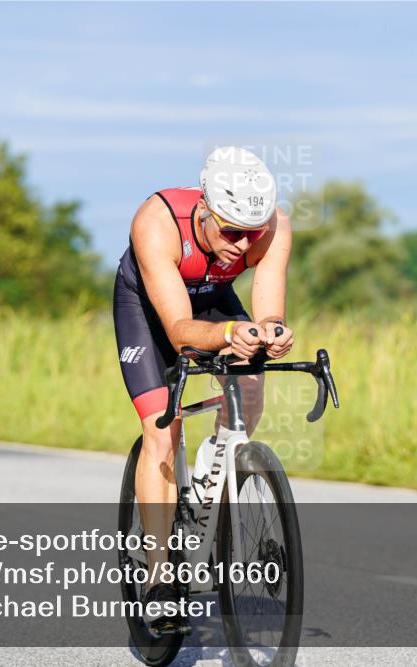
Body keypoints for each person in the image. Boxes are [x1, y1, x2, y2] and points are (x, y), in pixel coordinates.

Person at [112, 146, 294, 633]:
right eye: (231, 232)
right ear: (205, 209)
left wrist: (273, 331)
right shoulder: (157, 222)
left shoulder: (273, 226)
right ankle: (159, 580)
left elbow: (269, 307)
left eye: (252, 233)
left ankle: (215, 476)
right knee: (162, 431)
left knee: (250, 386)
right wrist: (231, 333)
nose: (243, 244)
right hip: (151, 313)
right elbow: (179, 332)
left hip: (213, 299)